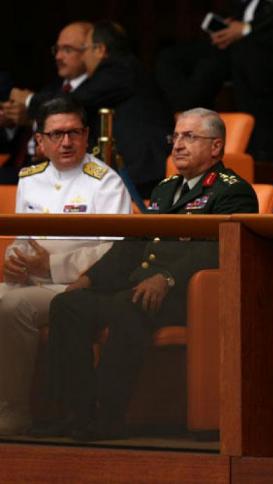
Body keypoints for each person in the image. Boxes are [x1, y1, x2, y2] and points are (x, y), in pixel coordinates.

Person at [32, 108, 258, 441]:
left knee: (127, 307)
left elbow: (219, 250)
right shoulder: (166, 188)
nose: (178, 145)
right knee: (68, 306)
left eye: (189, 137)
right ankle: (75, 412)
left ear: (215, 147)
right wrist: (89, 279)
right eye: (176, 136)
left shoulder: (232, 191)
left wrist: (167, 278)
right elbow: (134, 244)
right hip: (139, 288)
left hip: (187, 295)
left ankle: (108, 416)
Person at [0, 95, 132, 435]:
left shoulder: (105, 181)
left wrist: (53, 266)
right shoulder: (30, 178)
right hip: (30, 280)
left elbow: (114, 253)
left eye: (74, 132)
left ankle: (13, 412)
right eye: (56, 134)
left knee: (12, 307)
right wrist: (13, 259)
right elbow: (23, 238)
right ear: (40, 140)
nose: (66, 142)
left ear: (87, 136)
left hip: (75, 287)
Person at [156, 0, 273, 160]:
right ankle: (185, 121)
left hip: (263, 47)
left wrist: (245, 29)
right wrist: (229, 27)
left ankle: (189, 128)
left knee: (217, 64)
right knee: (169, 58)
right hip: (232, 45)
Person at [62, 20, 173, 199]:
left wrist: (30, 101)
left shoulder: (118, 69)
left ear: (100, 49)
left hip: (142, 171)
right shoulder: (128, 68)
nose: (83, 57)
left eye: (85, 49)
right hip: (137, 170)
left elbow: (74, 101)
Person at [3, 22, 92, 170]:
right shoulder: (52, 87)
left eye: (67, 50)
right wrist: (12, 121)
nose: (58, 56)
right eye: (57, 49)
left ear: (88, 52)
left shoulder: (94, 91)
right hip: (19, 165)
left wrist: (31, 119)